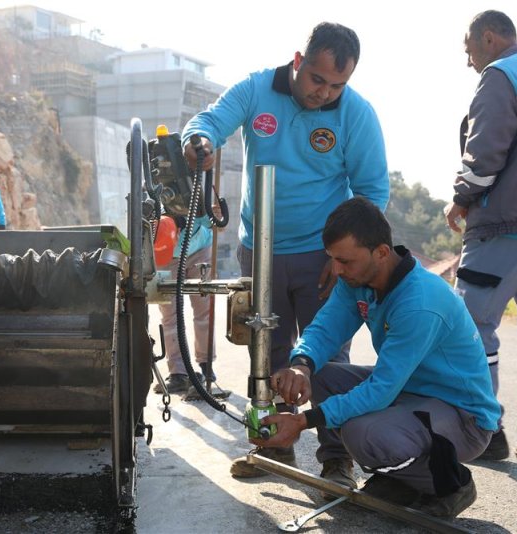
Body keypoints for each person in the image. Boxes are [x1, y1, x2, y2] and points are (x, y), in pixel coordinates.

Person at [182, 22, 389, 483]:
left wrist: (346, 259)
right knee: (268, 352)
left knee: (329, 356)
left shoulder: (355, 113)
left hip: (324, 260)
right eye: (317, 79)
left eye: (337, 85)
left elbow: (372, 190)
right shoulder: (257, 89)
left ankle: (337, 458)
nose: (325, 93)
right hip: (261, 250)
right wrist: (197, 143)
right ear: (298, 61)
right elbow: (208, 122)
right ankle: (272, 447)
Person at [252, 197, 499, 517]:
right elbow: (325, 328)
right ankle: (393, 474)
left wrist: (301, 421)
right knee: (321, 375)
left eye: (345, 261)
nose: (336, 270)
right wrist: (301, 364)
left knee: (362, 435)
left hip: (462, 416)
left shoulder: (420, 302)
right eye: (333, 259)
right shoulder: (359, 279)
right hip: (410, 393)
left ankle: (449, 483)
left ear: (381, 252)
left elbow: (382, 389)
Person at [444, 10, 517, 466]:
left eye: (469, 50)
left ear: (488, 38)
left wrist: (461, 197)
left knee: (467, 326)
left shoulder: (500, 75)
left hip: (505, 224)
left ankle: (485, 431)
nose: (469, 61)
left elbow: (485, 153)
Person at [153, 215, 221, 394]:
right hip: (165, 251)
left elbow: (217, 223)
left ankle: (206, 365)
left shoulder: (197, 187)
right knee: (170, 314)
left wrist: (215, 215)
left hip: (199, 247)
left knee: (204, 309)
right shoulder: (151, 189)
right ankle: (178, 374)